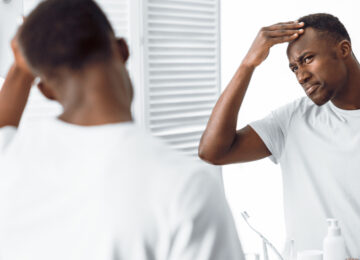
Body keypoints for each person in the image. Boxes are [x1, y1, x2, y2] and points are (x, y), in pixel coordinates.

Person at [0, 0, 244, 259]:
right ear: (123, 49)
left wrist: (22, 68)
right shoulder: (187, 188)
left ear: (45, 90)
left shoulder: (9, 159)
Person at [199, 13, 360, 260]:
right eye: (294, 68)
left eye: (307, 59)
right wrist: (248, 64)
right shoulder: (292, 120)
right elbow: (213, 152)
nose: (300, 75)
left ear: (344, 49)